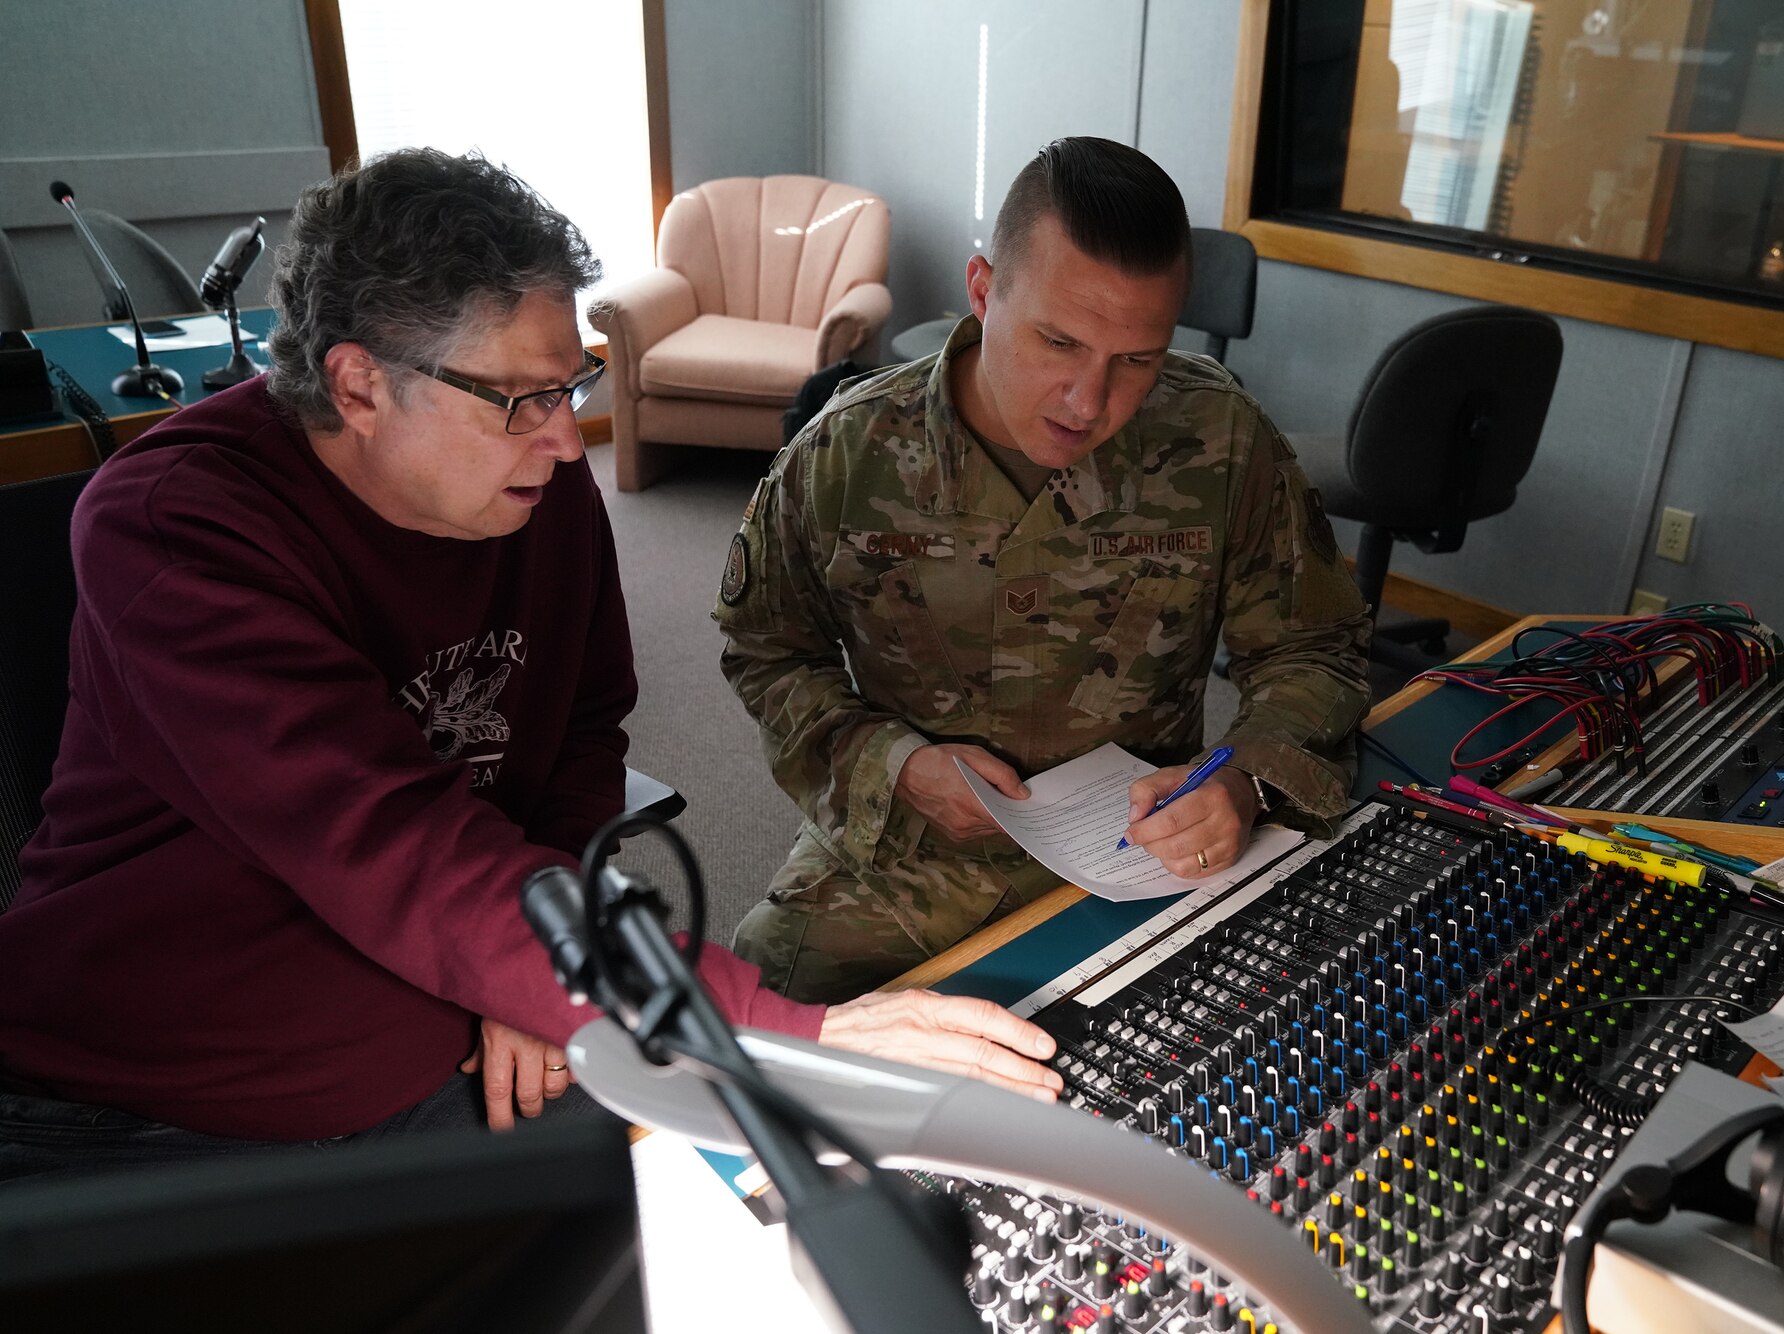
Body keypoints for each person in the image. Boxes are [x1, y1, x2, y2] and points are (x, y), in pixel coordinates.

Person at [0, 150, 1056, 1186]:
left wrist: (543, 961)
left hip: (482, 1046)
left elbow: (580, 727)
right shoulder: (176, 527)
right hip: (162, 1113)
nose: (566, 441)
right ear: (359, 383)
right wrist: (776, 1028)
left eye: (572, 384)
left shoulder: (534, 489)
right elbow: (392, 844)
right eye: (520, 398)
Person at [719, 137, 1372, 1003]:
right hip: (907, 861)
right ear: (984, 290)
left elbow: (1314, 645)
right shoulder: (847, 452)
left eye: (1137, 359)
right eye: (1058, 342)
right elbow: (767, 650)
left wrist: (1245, 779)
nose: (1089, 400)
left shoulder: (1218, 439)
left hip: (1148, 850)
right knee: (756, 1023)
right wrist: (894, 764)